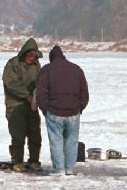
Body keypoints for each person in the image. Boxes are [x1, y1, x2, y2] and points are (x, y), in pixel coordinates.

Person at [35, 45, 89, 176]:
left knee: (56, 141)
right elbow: (84, 92)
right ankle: (69, 169)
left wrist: (45, 109)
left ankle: (59, 169)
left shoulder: (46, 69)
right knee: (72, 141)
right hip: (73, 112)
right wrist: (79, 108)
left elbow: (41, 93)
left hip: (54, 112)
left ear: (51, 58)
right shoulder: (76, 69)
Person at [2, 38, 43, 172]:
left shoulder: (37, 65)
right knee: (18, 136)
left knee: (35, 134)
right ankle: (17, 161)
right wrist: (27, 95)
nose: (32, 58)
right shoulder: (12, 64)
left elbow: (41, 82)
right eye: (30, 55)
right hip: (15, 106)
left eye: (35, 56)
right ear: (25, 53)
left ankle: (34, 161)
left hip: (32, 105)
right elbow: (11, 84)